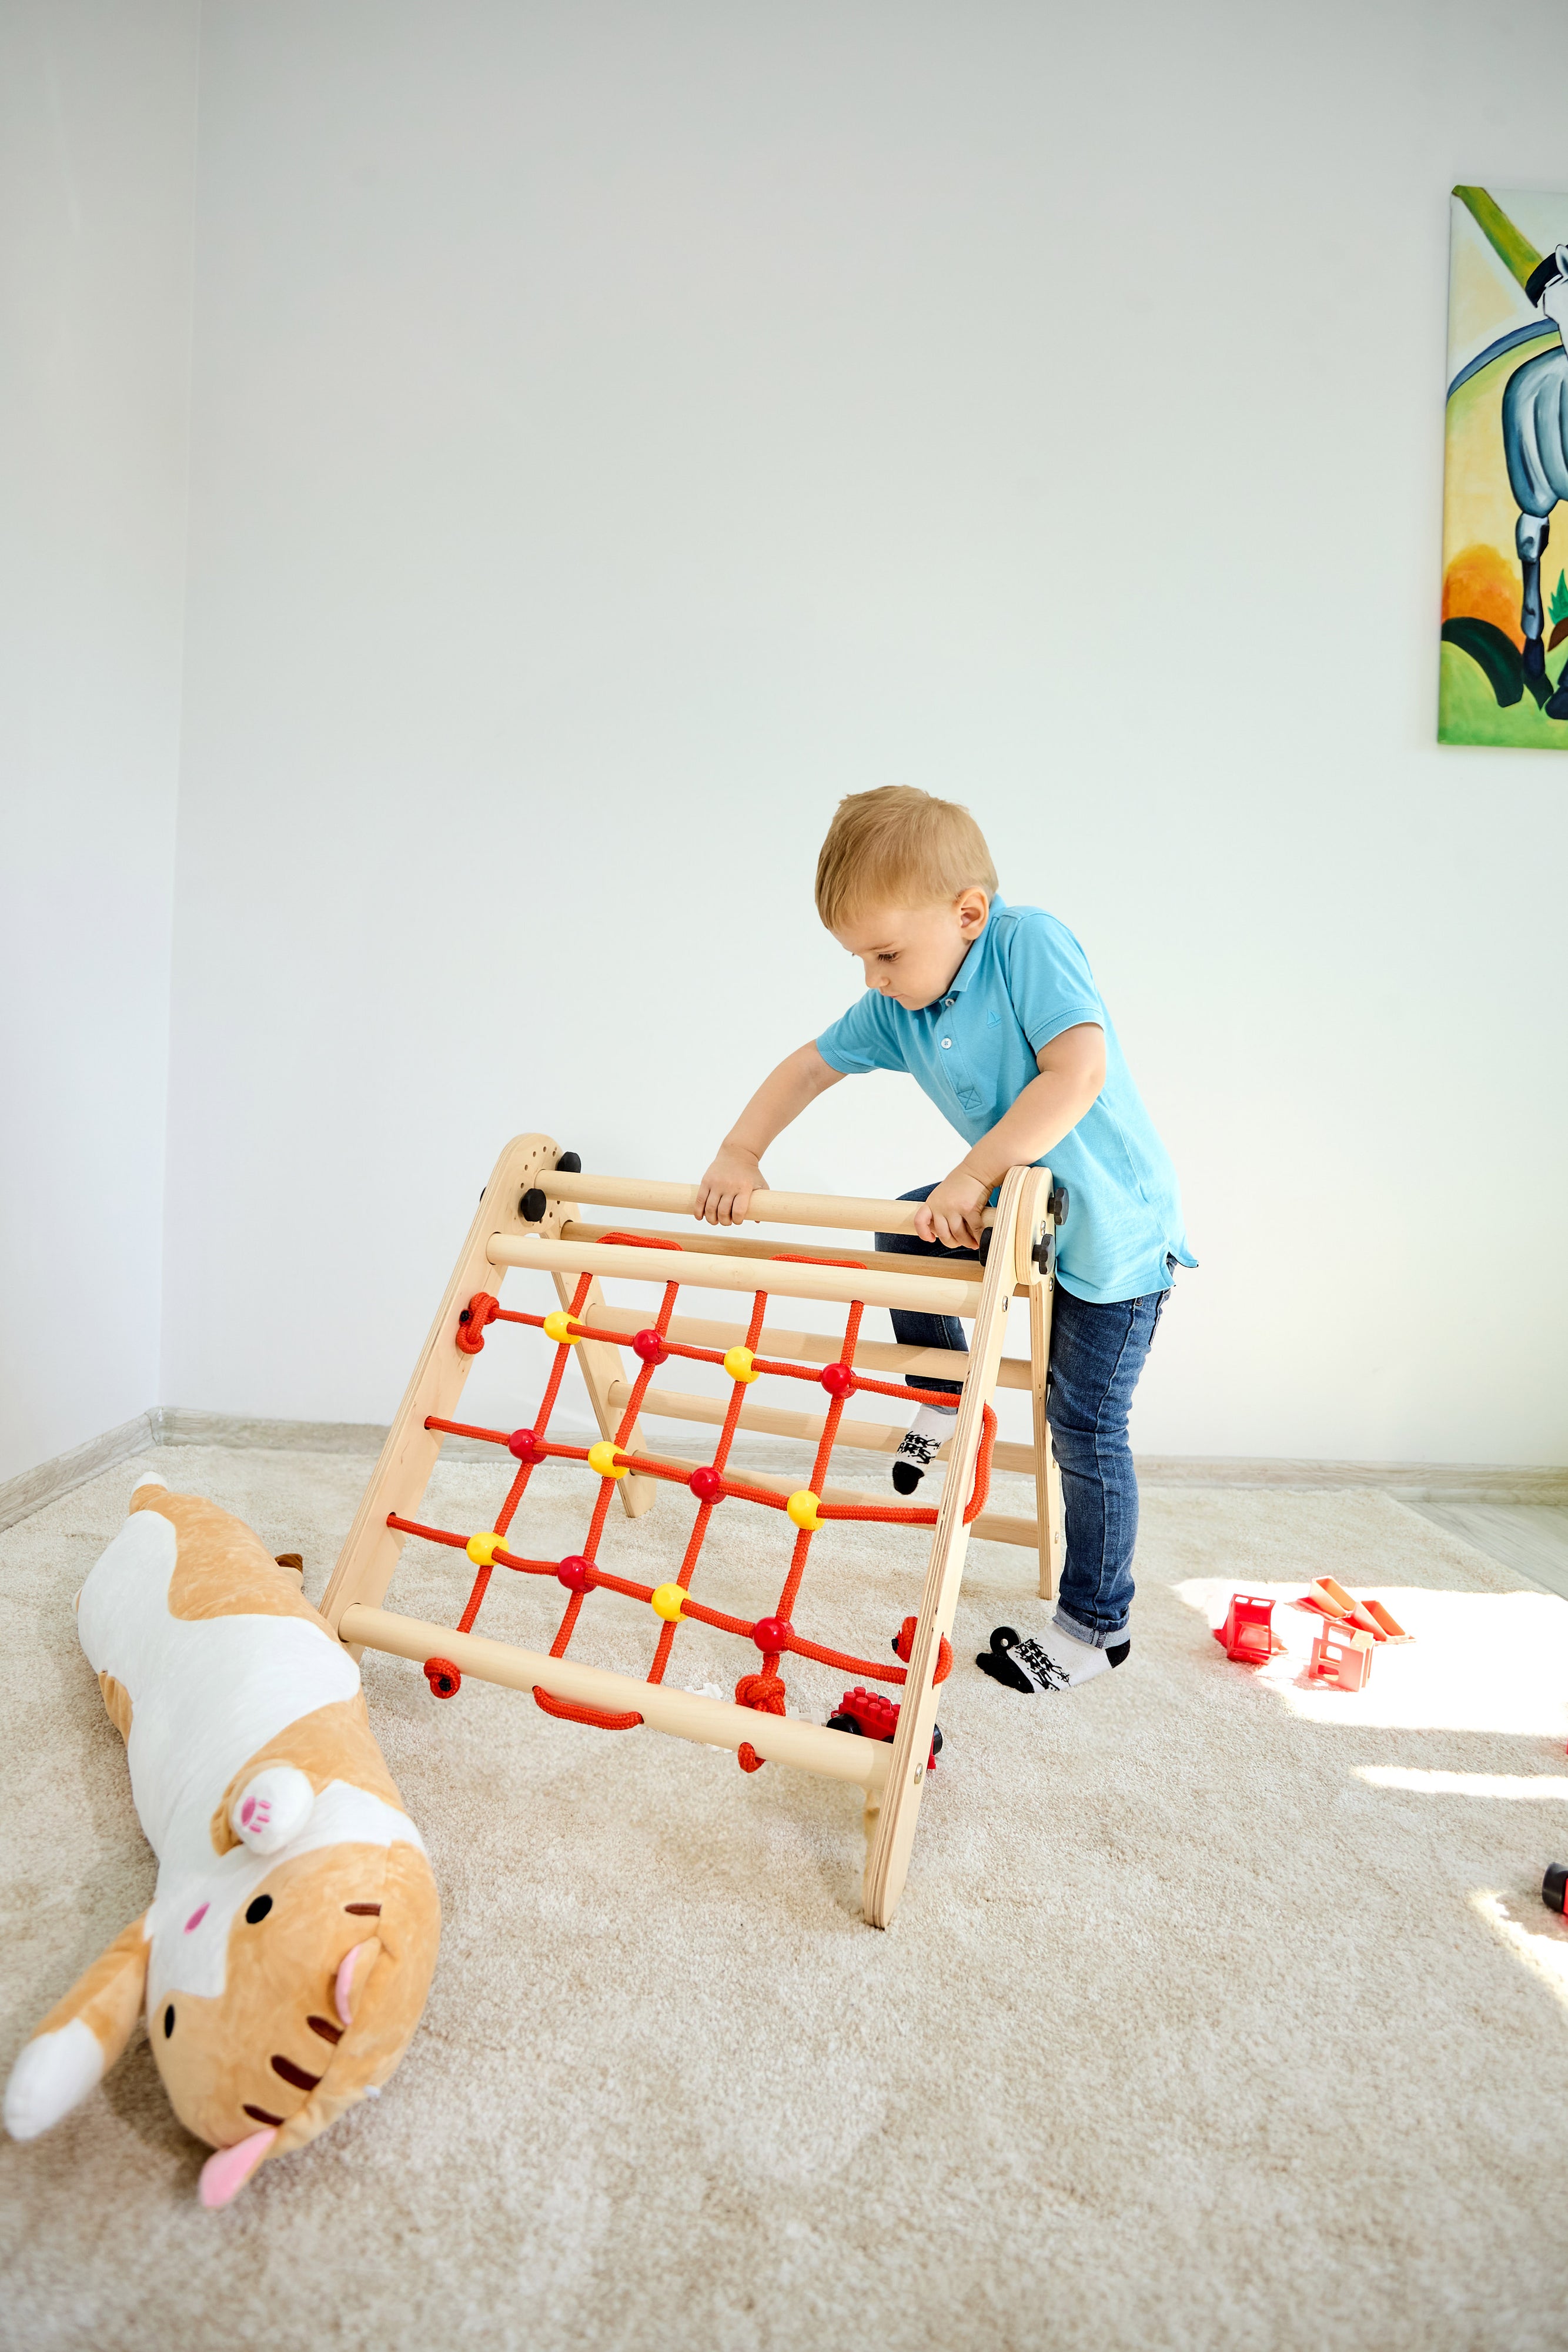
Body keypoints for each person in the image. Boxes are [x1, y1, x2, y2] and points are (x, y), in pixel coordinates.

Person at [694, 786, 1194, 1698]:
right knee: (905, 1229)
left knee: (1082, 1425)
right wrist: (740, 1150)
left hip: (1111, 1234)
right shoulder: (897, 1009)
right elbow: (809, 1067)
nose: (874, 978)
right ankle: (941, 1394)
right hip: (1013, 1204)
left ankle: (1095, 1627)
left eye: (886, 953)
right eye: (860, 959)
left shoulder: (1025, 943)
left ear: (968, 913)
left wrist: (971, 1173)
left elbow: (1078, 1073)